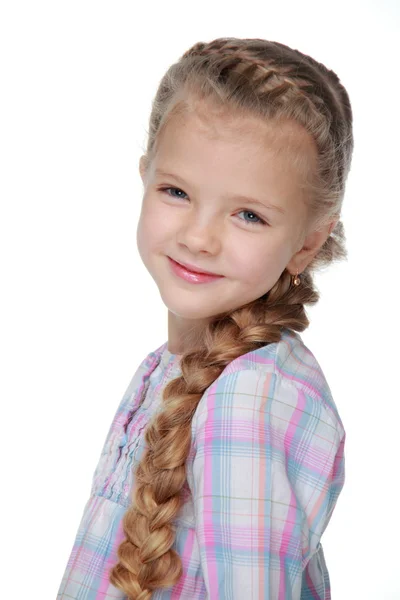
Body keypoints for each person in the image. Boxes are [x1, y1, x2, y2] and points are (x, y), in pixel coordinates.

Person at [57, 37, 353, 600]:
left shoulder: (250, 400)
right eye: (176, 191)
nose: (198, 237)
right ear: (144, 177)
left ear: (308, 244)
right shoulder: (164, 369)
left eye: (248, 215)